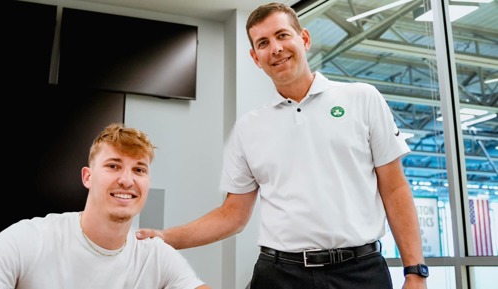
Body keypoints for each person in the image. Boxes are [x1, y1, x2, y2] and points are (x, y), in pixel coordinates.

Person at [136, 2, 428, 289]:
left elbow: (394, 187)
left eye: (282, 35)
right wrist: (166, 237)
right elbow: (232, 215)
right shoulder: (248, 128)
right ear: (255, 58)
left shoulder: (362, 98)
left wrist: (415, 271)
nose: (275, 48)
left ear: (304, 39)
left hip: (360, 273)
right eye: (263, 43)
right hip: (279, 276)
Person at [0, 123, 210, 289]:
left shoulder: (156, 257)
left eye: (139, 170)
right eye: (113, 166)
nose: (127, 180)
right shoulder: (31, 237)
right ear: (87, 176)